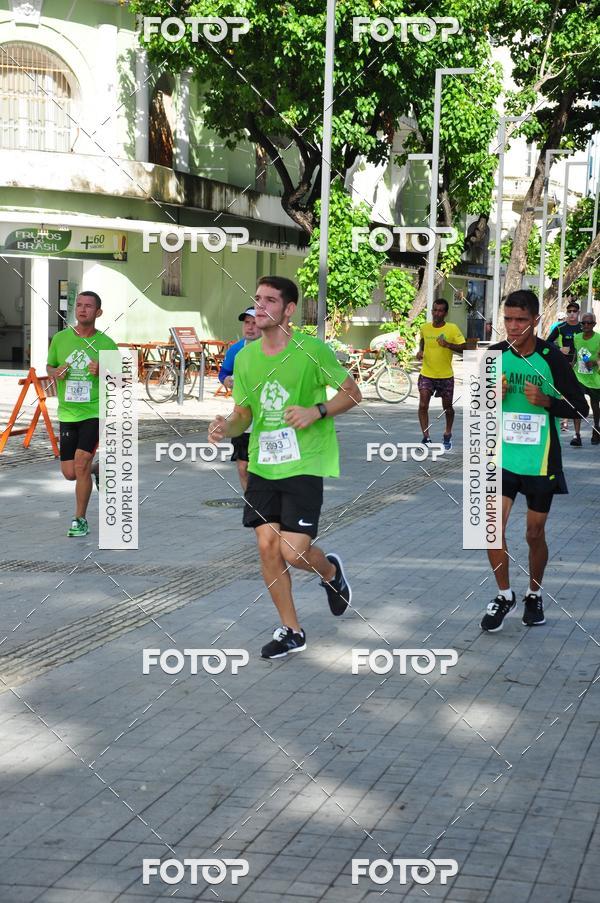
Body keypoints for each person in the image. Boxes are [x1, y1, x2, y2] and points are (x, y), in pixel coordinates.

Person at [208, 276, 362, 659]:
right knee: (266, 548)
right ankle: (292, 630)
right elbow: (244, 413)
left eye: (270, 301)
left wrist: (317, 411)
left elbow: (352, 392)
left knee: (293, 552)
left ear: (288, 310)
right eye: (257, 299)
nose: (259, 307)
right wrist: (226, 426)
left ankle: (330, 573)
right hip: (263, 462)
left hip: (305, 462)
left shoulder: (312, 350)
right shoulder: (245, 357)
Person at [480, 290, 588, 633]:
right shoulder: (493, 356)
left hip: (540, 460)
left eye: (521, 320)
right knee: (491, 528)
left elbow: (580, 409)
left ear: (535, 321)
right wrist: (488, 396)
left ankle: (534, 594)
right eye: (508, 320)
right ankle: (504, 594)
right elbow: (478, 408)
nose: (513, 327)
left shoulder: (551, 357)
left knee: (533, 533)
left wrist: (546, 401)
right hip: (502, 458)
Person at [46, 291, 118, 537]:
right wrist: (55, 371)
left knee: (80, 462)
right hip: (68, 412)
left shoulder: (106, 344)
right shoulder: (60, 339)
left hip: (94, 412)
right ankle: (97, 469)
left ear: (98, 312)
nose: (82, 309)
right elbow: (50, 365)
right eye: (79, 305)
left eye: (88, 306)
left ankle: (80, 519)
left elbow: (122, 379)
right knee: (70, 473)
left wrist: (105, 369)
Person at [218, 308, 261, 490]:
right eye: (247, 323)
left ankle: (263, 507)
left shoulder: (274, 350)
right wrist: (226, 380)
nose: (250, 328)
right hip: (243, 418)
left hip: (269, 420)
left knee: (260, 469)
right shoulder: (236, 349)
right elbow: (224, 373)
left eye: (254, 323)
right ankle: (253, 505)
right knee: (243, 467)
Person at [416, 298, 466, 451]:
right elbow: (423, 340)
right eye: (434, 310)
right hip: (427, 373)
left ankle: (447, 433)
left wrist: (448, 345)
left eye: (440, 311)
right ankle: (426, 437)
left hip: (445, 375)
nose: (436, 313)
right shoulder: (424, 327)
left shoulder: (452, 328)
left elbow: (465, 347)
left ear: (445, 313)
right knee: (423, 405)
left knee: (448, 407)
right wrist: (421, 351)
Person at [547, 300, 583, 433]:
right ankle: (564, 422)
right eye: (570, 311)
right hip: (564, 365)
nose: (572, 314)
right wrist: (559, 348)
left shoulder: (582, 327)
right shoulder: (560, 327)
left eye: (574, 311)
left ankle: (578, 433)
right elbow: (547, 343)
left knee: (578, 396)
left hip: (580, 366)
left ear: (579, 313)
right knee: (562, 393)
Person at [571, 313, 600, 446]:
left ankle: (596, 428)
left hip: (595, 378)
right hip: (579, 377)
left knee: (595, 405)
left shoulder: (598, 339)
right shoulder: (577, 337)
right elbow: (577, 354)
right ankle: (576, 435)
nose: (586, 325)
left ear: (594, 324)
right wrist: (571, 367)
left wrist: (594, 363)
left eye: (589, 323)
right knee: (577, 404)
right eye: (584, 323)